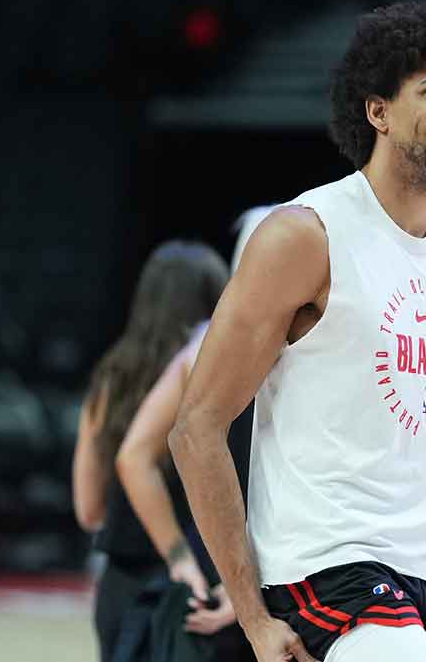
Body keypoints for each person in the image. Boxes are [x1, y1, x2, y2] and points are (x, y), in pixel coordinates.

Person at [167, 0, 426, 662]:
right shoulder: (305, 234)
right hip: (320, 568)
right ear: (376, 109)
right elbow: (196, 426)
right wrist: (252, 614)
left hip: (414, 584)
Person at [113, 208, 273, 660]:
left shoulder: (207, 343)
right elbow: (136, 457)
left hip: (253, 576)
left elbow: (133, 457)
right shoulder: (211, 345)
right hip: (249, 578)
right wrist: (240, 585)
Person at [72, 241, 230, 662]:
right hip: (197, 583)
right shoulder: (212, 372)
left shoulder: (110, 379)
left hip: (121, 586)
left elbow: (89, 509)